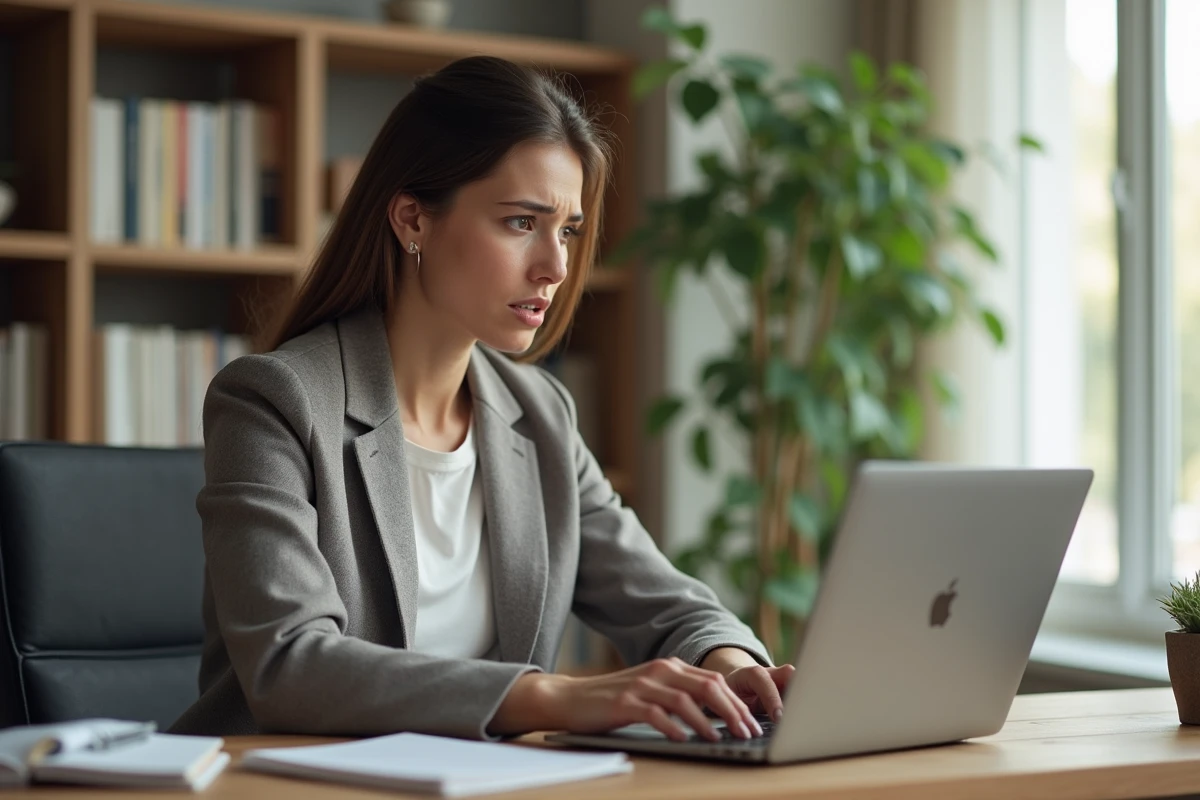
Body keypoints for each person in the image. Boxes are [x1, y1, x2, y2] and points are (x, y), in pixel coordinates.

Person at [170, 55, 793, 744]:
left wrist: (730, 669)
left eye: (569, 230)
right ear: (412, 219)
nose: (555, 266)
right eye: (522, 222)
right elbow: (291, 665)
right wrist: (555, 697)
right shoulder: (274, 402)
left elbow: (672, 607)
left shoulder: (541, 415)